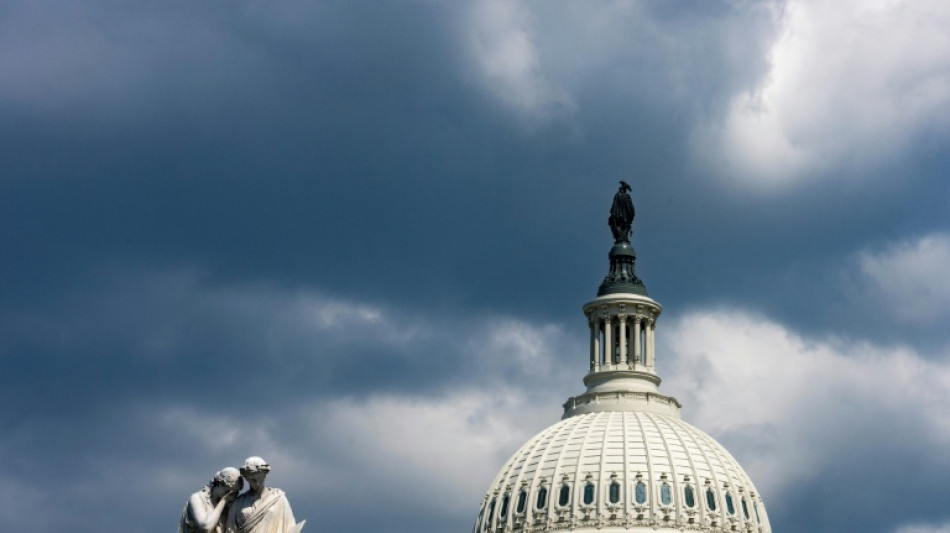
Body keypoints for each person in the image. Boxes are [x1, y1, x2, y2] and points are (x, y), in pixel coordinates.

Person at [225, 456, 305, 533]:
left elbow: (289, 527)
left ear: (265, 473)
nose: (255, 478)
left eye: (258, 474)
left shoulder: (278, 498)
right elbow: (230, 530)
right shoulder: (238, 503)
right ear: (246, 476)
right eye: (251, 475)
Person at [180, 467, 243, 533]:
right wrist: (223, 501)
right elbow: (206, 527)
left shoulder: (228, 505)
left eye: (235, 493)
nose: (232, 496)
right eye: (228, 491)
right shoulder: (196, 498)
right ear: (219, 484)